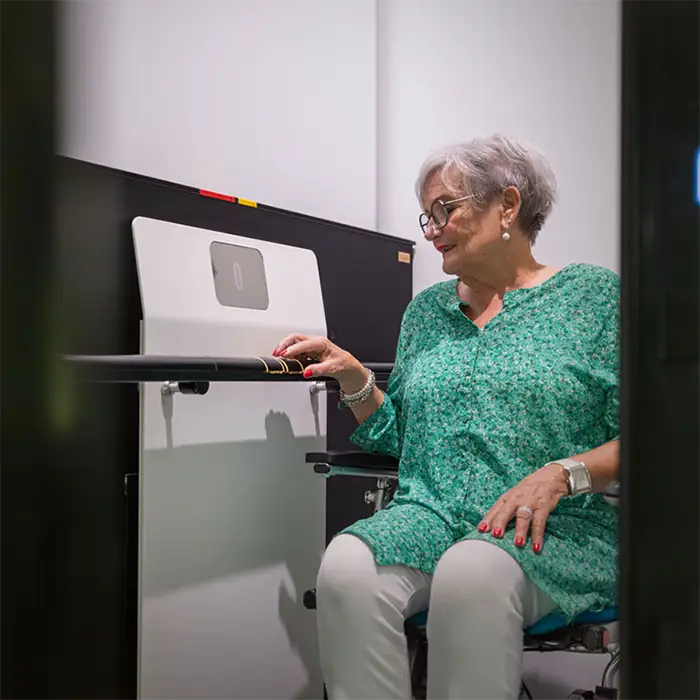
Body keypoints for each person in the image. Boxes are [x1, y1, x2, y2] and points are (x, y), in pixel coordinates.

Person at [273, 134, 620, 700]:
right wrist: (352, 375)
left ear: (507, 206)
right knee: (346, 569)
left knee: (470, 573)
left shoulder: (594, 299)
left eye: (446, 210)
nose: (430, 229)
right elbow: (407, 439)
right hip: (430, 516)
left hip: (551, 529)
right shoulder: (427, 311)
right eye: (426, 214)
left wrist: (563, 473)